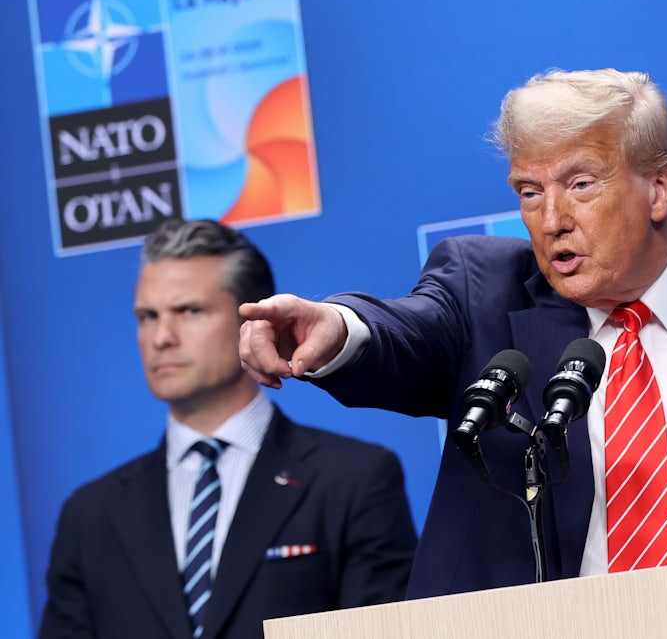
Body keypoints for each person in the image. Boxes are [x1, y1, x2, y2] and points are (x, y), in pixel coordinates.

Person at [237, 69, 667, 637]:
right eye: (529, 191)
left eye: (579, 183)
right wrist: (337, 327)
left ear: (660, 188)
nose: (551, 219)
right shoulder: (485, 294)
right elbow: (407, 332)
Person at [40, 219, 417, 639]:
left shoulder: (354, 481)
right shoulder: (90, 514)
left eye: (190, 311)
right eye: (148, 316)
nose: (161, 337)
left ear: (255, 324)